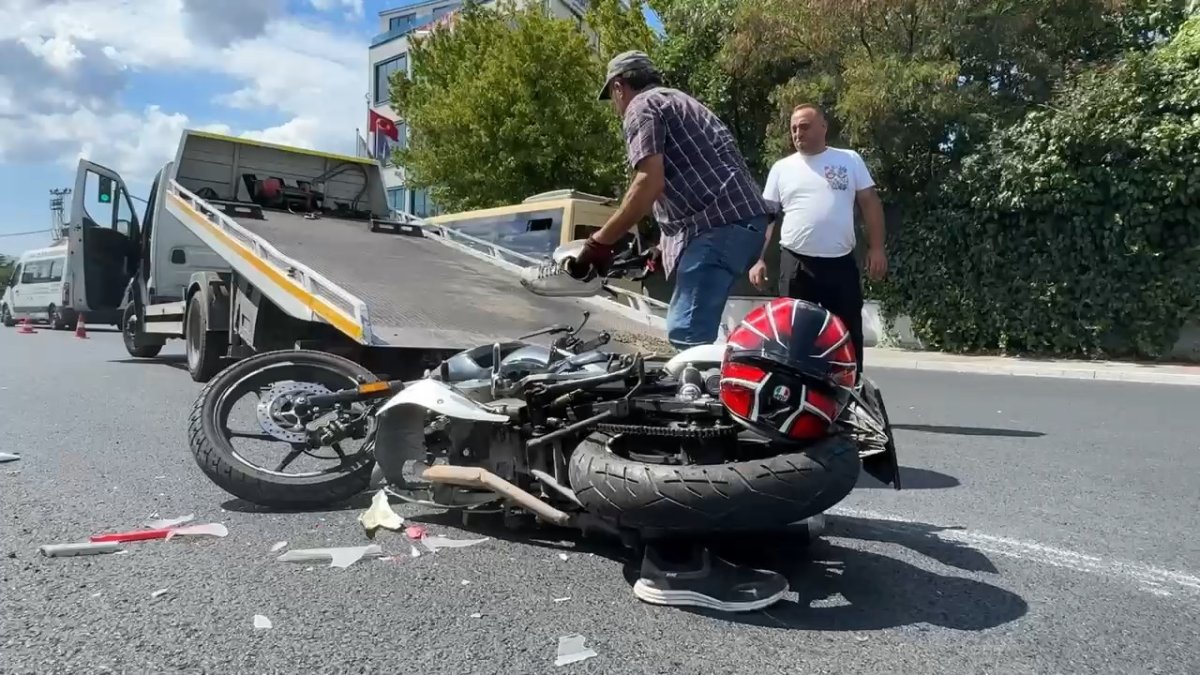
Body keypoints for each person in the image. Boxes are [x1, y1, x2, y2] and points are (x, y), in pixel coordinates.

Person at [522, 50, 789, 613]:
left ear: (619, 86)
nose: (615, 104)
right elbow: (685, 188)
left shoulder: (643, 106)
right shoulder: (687, 103)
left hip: (719, 227)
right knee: (706, 334)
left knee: (686, 338)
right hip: (736, 224)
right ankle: (746, 426)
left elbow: (648, 181)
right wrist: (653, 251)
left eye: (612, 95)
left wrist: (599, 244)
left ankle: (695, 471)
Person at [750, 104, 887, 378]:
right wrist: (758, 257)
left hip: (840, 265)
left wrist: (877, 248)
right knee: (793, 336)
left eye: (804, 126)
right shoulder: (781, 168)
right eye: (793, 128)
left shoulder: (849, 160)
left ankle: (851, 395)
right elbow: (768, 217)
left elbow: (869, 203)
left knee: (847, 334)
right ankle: (791, 395)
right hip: (796, 264)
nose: (798, 133)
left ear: (823, 127)